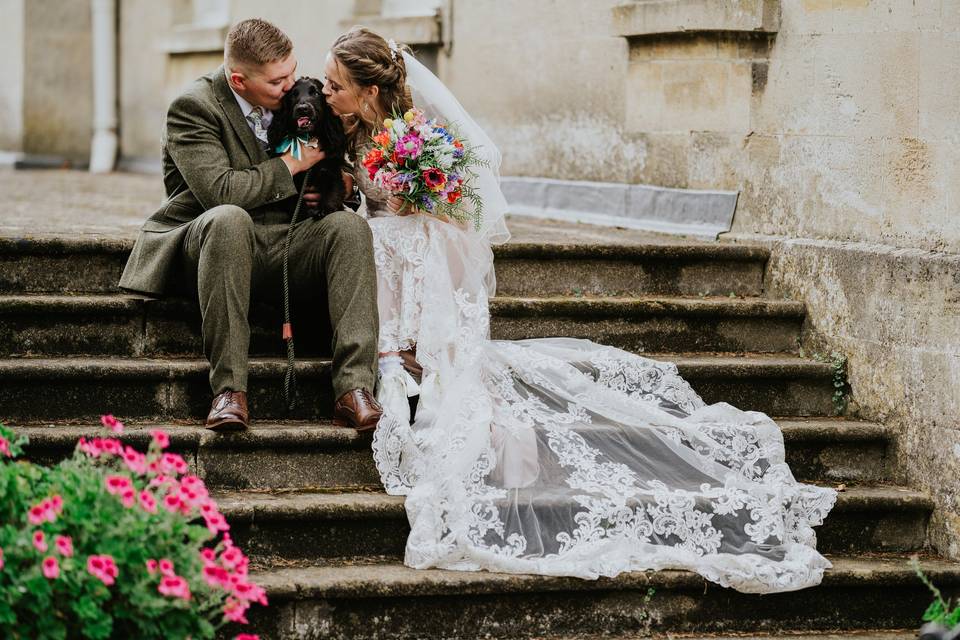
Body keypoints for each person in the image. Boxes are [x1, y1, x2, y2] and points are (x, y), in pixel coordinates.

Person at [322, 27, 837, 594]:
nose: (325, 91)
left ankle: (415, 352)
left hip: (421, 253)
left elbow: (464, 207)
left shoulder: (418, 135)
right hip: (373, 252)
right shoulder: (342, 129)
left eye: (336, 84)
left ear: (369, 91)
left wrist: (413, 201)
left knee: (408, 252)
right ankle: (392, 346)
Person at [119, 18, 383, 432]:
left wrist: (343, 182)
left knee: (350, 229)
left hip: (285, 240)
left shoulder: (294, 100)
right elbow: (220, 193)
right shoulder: (194, 108)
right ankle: (229, 391)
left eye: (293, 72)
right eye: (279, 81)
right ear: (238, 81)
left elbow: (332, 153)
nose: (291, 85)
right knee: (229, 218)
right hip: (212, 244)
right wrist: (293, 163)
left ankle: (354, 391)